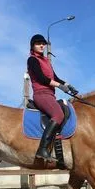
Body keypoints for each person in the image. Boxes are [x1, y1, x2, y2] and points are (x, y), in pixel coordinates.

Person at [27, 34, 79, 162]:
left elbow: (55, 78)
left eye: (43, 44)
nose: (41, 46)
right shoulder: (32, 60)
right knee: (58, 115)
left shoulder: (46, 61)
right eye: (38, 43)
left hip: (50, 95)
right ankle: (42, 149)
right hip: (41, 94)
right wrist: (60, 87)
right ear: (32, 46)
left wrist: (67, 85)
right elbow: (41, 78)